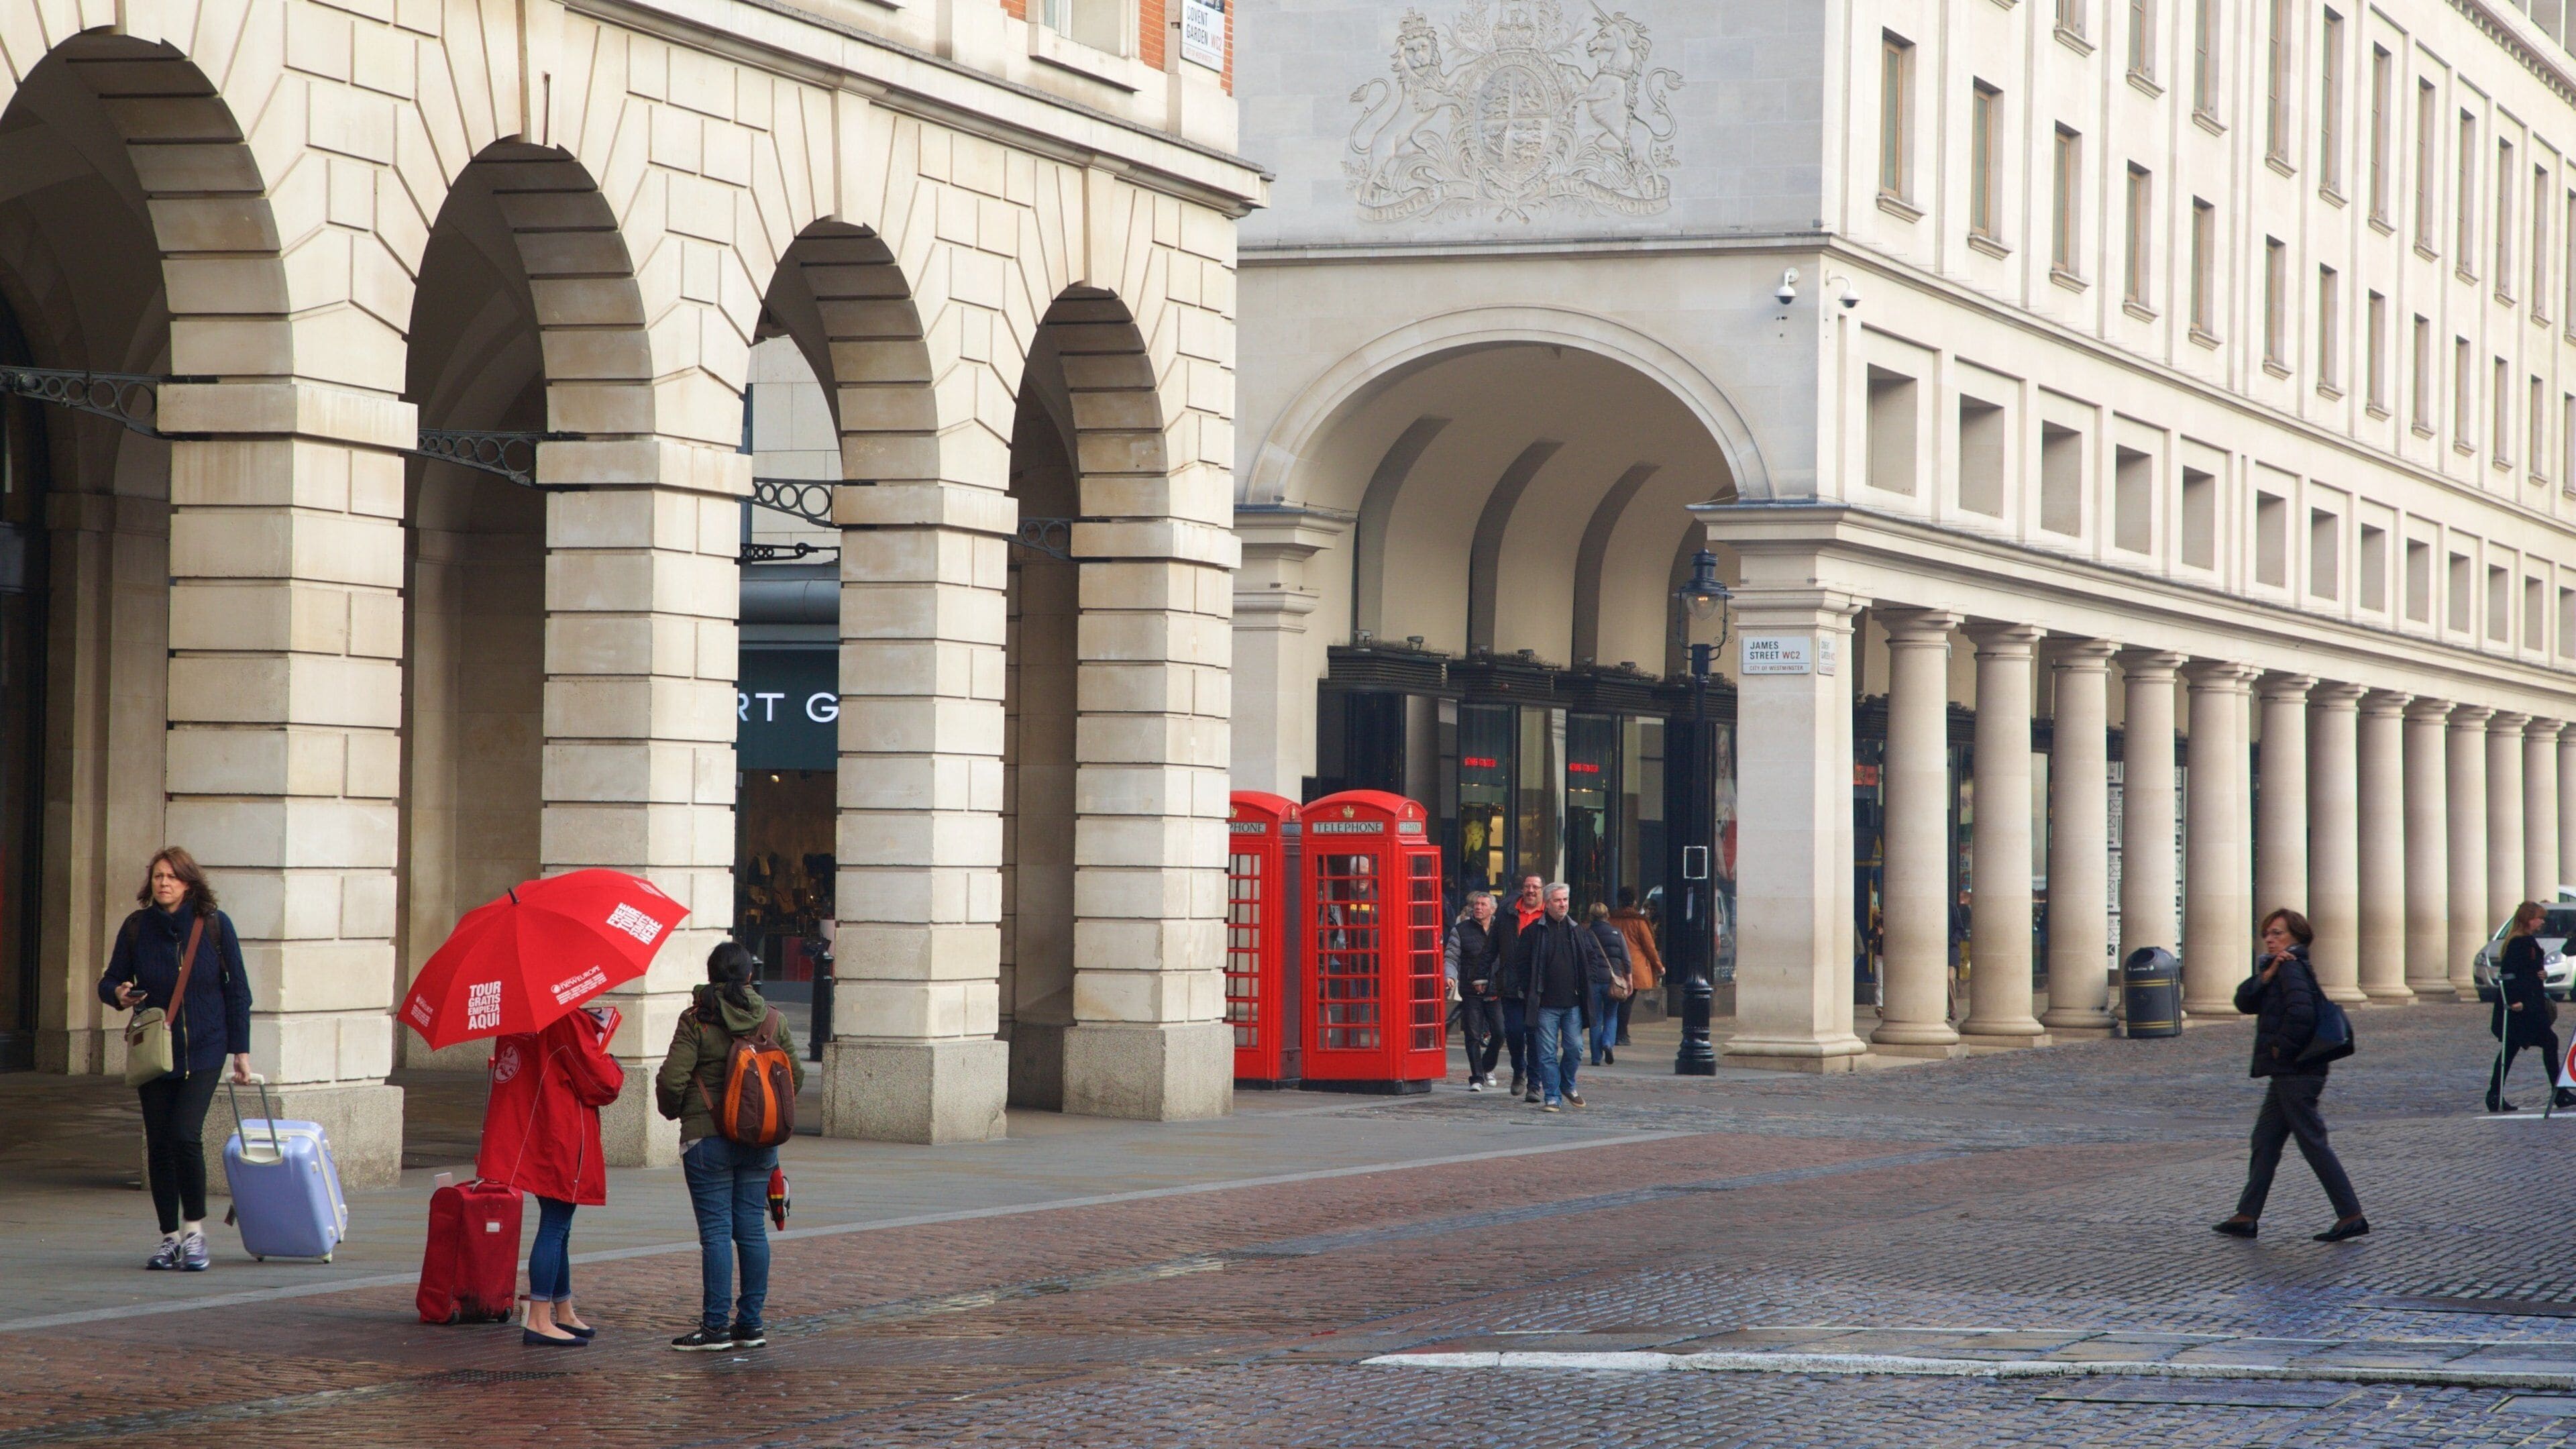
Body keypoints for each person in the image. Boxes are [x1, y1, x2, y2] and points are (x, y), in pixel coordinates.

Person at [98, 847, 252, 1272]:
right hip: (155, 1053)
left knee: (186, 1135)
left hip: (204, 1047)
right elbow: (109, 981)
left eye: (172, 877)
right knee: (160, 1143)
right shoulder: (136, 929)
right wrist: (119, 993)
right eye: (158, 876)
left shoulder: (215, 926)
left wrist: (240, 1050)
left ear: (188, 883)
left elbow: (237, 991)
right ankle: (169, 1238)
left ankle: (195, 1233)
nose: (163, 883)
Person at [657, 942, 804, 1352]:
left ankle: (716, 1327)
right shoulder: (772, 1020)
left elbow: (672, 1079)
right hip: (761, 1142)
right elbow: (794, 1079)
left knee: (717, 1234)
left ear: (711, 976)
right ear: (750, 976)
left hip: (707, 1140)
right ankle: (751, 1324)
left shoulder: (697, 1020)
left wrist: (679, 1113)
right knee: (751, 1231)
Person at [2213, 908, 2368, 1243]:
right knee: (2265, 1140)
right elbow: (2244, 1000)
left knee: (2313, 1143)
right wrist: (2264, 976)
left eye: (2278, 933)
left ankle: (2351, 1214)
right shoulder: (2278, 968)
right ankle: (2246, 1215)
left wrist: (2279, 1052)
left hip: (2296, 1072)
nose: (2270, 939)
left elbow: (2302, 1013)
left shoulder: (2292, 969)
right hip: (2290, 1072)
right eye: (2267, 933)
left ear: (2296, 937)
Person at [479, 1001, 625, 1346]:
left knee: (559, 1224)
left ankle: (563, 1309)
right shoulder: (567, 1018)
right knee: (556, 1224)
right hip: (559, 1131)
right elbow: (601, 1083)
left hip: (532, 1129)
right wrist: (609, 1058)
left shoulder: (517, 1015)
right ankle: (540, 1317)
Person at [1497, 883, 1613, 1111]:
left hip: (1572, 1004)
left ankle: (1567, 1084)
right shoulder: (1533, 932)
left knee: (1575, 1049)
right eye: (1559, 900)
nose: (1563, 904)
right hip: (1545, 1005)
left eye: (1566, 900)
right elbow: (1520, 964)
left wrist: (1587, 981)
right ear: (1548, 903)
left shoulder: (1578, 931)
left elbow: (1592, 959)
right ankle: (1552, 1096)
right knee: (1547, 1052)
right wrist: (1529, 989)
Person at [2487, 900, 2575, 1112]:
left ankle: (2494, 1094)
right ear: (2529, 920)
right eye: (2539, 918)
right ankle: (2559, 1093)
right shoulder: (2520, 942)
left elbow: (2527, 970)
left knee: (2511, 1049)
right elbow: (2510, 974)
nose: (2542, 922)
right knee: (2547, 1041)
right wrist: (2514, 1001)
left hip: (2529, 1003)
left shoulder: (2525, 941)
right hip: (2523, 1006)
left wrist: (2541, 974)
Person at [1446, 892, 1506, 1090]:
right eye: (1476, 904)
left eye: (1483, 905)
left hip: (1496, 989)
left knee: (1499, 1032)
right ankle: (1477, 1077)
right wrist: (1450, 975)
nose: (1478, 907)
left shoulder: (1502, 929)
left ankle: (1487, 1066)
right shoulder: (1461, 930)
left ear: (1493, 909)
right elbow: (1451, 956)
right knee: (1472, 1035)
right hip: (1471, 989)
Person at [1607, 888, 1663, 1048]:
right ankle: (1621, 1034)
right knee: (1627, 1002)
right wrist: (1659, 965)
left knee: (1615, 1002)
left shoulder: (1612, 919)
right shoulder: (1639, 922)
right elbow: (1649, 947)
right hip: (1635, 967)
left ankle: (1613, 1033)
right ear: (1634, 902)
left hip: (1614, 966)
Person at [1585, 902, 1631, 1066]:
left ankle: (1596, 1058)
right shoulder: (1617, 933)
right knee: (1611, 1015)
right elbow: (1626, 958)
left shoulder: (1587, 933)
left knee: (1595, 1019)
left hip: (1594, 981)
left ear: (1591, 916)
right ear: (1607, 915)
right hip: (1614, 980)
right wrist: (1629, 979)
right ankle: (1607, 1043)